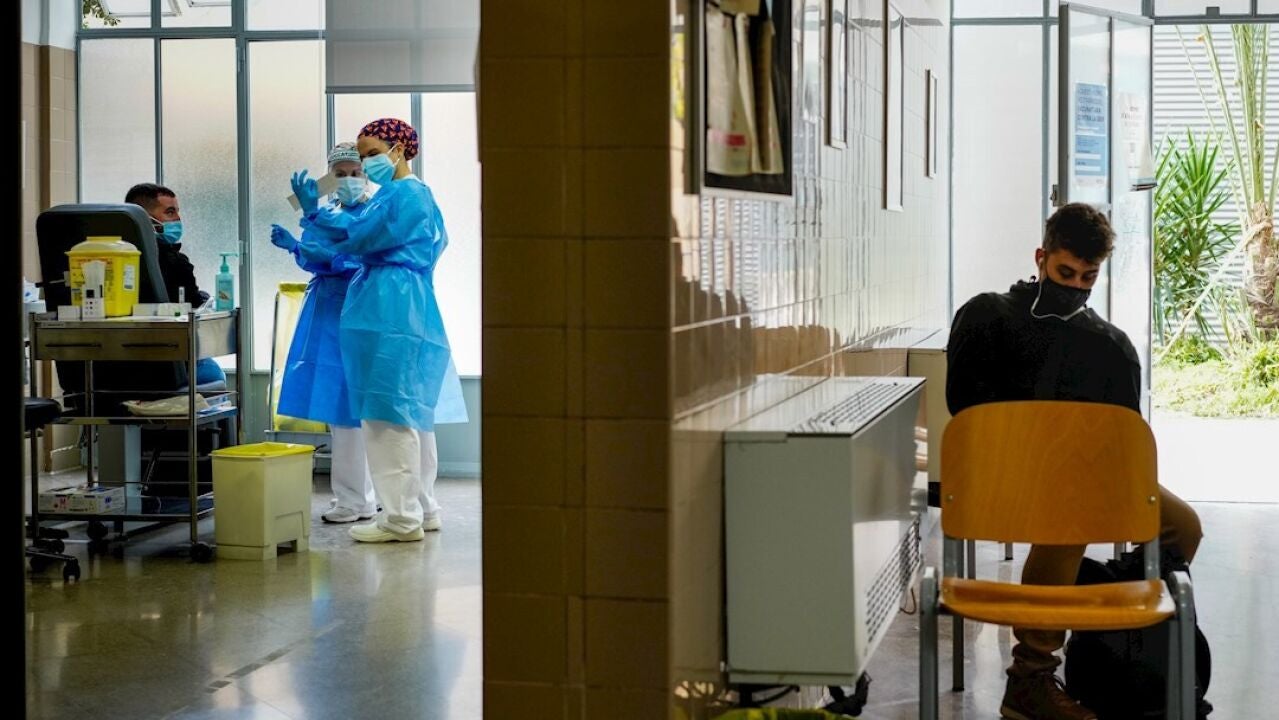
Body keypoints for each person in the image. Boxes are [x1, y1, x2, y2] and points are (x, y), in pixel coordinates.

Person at [947, 202, 1204, 720]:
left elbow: (1124, 445)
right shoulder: (987, 317)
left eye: (1089, 277)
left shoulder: (1111, 346)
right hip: (1003, 479)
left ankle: (1104, 606)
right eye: (1066, 273)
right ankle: (1030, 676)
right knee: (1073, 510)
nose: (1076, 286)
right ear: (1040, 258)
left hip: (1077, 481)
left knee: (1183, 526)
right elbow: (966, 411)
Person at [290, 118, 467, 543]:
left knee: (386, 415)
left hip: (388, 306)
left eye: (372, 154)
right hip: (403, 301)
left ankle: (400, 519)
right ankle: (419, 511)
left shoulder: (404, 194)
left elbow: (357, 236)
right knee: (404, 410)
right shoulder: (410, 194)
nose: (367, 164)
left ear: (399, 150)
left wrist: (312, 214)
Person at [270, 143, 377, 524]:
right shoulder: (329, 213)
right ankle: (360, 495)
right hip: (327, 313)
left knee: (354, 411)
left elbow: (352, 260)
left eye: (355, 173)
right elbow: (316, 258)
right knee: (340, 408)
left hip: (356, 312)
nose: (348, 180)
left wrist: (309, 233)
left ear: (367, 174)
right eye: (340, 174)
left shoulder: (371, 215)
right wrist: (297, 247)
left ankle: (356, 500)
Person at [125, 183, 225, 387]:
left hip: (121, 367)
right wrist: (205, 299)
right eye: (170, 212)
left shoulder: (110, 260)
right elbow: (194, 306)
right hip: (166, 365)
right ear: (146, 220)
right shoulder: (175, 262)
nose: (178, 219)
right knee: (214, 374)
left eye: (177, 212)